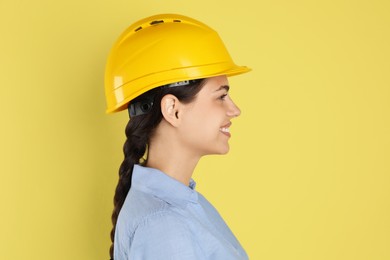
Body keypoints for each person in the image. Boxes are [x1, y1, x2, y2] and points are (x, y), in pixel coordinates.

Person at [104, 14, 251, 260]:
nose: (235, 110)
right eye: (221, 96)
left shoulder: (179, 205)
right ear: (173, 109)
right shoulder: (164, 224)